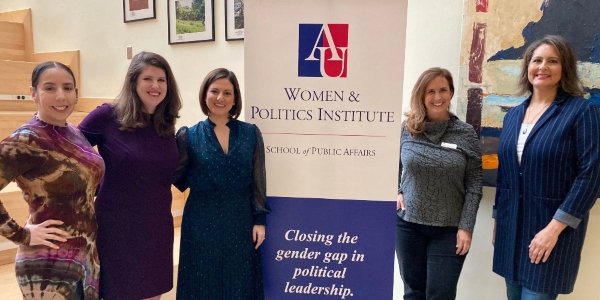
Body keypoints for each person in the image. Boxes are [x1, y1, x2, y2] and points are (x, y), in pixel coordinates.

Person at [493, 35, 600, 300]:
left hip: (551, 232)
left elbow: (591, 175)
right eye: (536, 60)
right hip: (512, 230)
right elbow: (505, 174)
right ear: (527, 67)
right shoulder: (513, 116)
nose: (542, 67)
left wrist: (553, 230)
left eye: (552, 61)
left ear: (565, 69)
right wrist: (498, 220)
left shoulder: (581, 112)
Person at [78, 52, 182, 299]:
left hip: (157, 225)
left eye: (161, 79)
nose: (155, 86)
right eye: (148, 78)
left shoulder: (165, 124)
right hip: (117, 227)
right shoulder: (107, 116)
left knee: (152, 293)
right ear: (134, 82)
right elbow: (70, 150)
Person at [0, 61, 105, 299]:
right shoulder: (26, 139)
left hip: (86, 257)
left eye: (68, 88)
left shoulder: (74, 133)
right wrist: (22, 235)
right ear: (33, 93)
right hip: (48, 263)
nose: (61, 96)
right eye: (49, 88)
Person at [174, 68, 271, 299]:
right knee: (202, 281)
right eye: (214, 91)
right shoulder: (188, 136)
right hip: (200, 220)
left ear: (235, 97)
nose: (220, 98)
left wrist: (260, 220)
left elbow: (258, 180)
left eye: (227, 92)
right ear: (204, 94)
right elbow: (176, 177)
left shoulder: (250, 133)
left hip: (240, 218)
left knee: (240, 281)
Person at [396, 67, 483, 300]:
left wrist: (466, 227)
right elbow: (394, 166)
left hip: (448, 231)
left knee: (440, 295)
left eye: (443, 90)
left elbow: (474, 185)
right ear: (421, 96)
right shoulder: (407, 129)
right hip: (408, 226)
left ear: (451, 93)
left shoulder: (465, 134)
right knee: (413, 293)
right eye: (430, 91)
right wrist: (396, 191)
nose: (437, 97)